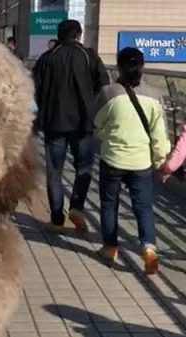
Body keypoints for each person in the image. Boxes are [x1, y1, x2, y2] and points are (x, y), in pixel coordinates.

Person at [93, 47, 170, 274]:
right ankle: (148, 248)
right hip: (141, 163)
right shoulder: (155, 96)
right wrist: (160, 161)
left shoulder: (108, 93)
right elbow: (159, 135)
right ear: (142, 67)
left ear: (118, 66)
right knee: (143, 207)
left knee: (109, 205)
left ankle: (109, 248)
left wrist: (106, 136)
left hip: (113, 158)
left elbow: (96, 123)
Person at [34, 19, 110, 233]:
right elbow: (104, 86)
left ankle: (57, 218)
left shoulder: (47, 58)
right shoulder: (90, 56)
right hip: (84, 123)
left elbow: (34, 90)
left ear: (59, 35)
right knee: (84, 168)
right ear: (78, 35)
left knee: (54, 172)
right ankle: (76, 206)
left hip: (53, 122)